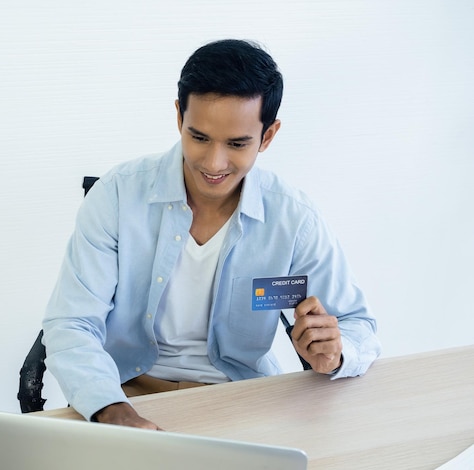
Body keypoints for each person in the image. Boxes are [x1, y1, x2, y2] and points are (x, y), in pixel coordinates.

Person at [42, 39, 381, 430]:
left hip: (241, 397)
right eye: (199, 137)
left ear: (267, 136)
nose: (214, 163)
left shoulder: (293, 218)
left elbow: (358, 324)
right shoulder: (118, 195)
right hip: (126, 391)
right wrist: (110, 409)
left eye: (237, 144)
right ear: (178, 118)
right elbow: (71, 323)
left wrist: (336, 352)